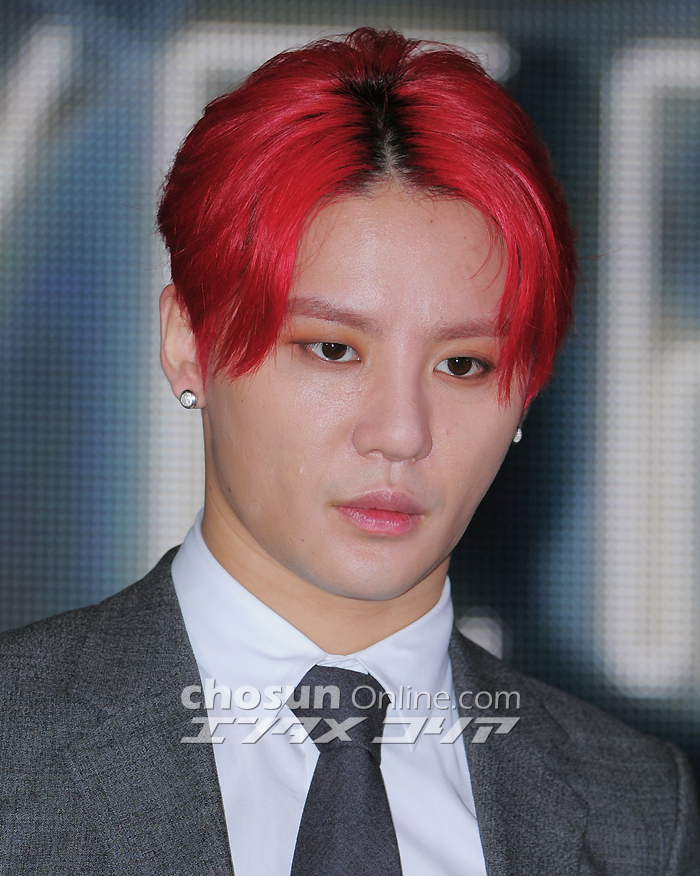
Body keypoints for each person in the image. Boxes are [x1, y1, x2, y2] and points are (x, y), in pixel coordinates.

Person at [1, 27, 698, 876]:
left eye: (463, 365)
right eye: (332, 350)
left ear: (527, 388)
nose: (400, 432)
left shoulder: (640, 813)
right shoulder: (16, 743)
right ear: (188, 343)